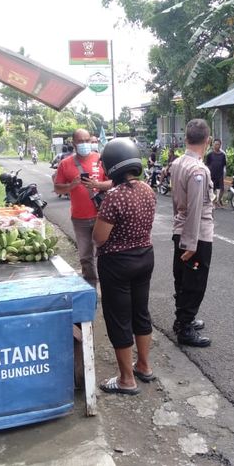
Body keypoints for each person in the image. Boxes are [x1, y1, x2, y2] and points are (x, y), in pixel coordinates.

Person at [93, 137, 157, 395]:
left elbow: (99, 237)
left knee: (119, 320)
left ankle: (126, 380)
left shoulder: (113, 197)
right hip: (145, 258)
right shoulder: (148, 190)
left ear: (111, 167)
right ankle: (144, 366)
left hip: (117, 264)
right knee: (140, 313)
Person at [169, 119, 214, 347]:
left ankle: (182, 320)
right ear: (208, 140)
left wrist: (182, 235)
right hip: (196, 235)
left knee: (183, 279)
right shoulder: (197, 169)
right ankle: (185, 328)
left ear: (186, 139)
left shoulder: (177, 164)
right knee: (195, 283)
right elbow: (195, 208)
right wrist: (191, 243)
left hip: (181, 230)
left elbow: (177, 202)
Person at [54, 128, 113, 286]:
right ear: (73, 143)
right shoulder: (65, 164)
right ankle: (91, 288)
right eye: (80, 141)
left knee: (106, 252)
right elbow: (57, 188)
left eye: (87, 140)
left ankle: (108, 286)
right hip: (79, 218)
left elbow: (113, 182)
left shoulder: (101, 159)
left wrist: (97, 184)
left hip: (102, 216)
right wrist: (71, 186)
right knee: (85, 257)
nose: (85, 144)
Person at [205, 139, 227, 207]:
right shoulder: (210, 155)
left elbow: (224, 164)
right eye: (215, 144)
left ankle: (219, 200)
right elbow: (207, 164)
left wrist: (224, 173)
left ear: (220, 145)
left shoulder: (222, 155)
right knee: (212, 189)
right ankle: (213, 202)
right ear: (213, 145)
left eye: (218, 144)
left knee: (222, 189)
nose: (216, 145)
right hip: (212, 175)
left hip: (220, 174)